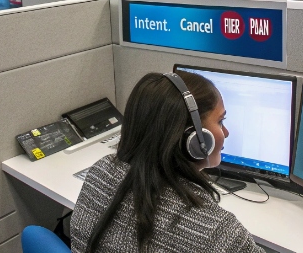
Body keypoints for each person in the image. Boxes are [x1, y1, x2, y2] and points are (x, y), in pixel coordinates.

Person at [70, 71, 261, 253]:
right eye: (220, 121)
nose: (226, 132)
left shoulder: (101, 172)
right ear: (195, 138)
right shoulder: (216, 231)